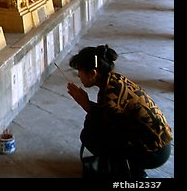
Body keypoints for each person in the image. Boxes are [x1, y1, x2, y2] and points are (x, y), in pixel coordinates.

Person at [66, 45, 173, 178]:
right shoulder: (113, 79)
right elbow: (108, 115)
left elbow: (106, 127)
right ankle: (130, 164)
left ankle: (132, 171)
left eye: (80, 71)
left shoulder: (111, 94)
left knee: (90, 137)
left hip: (154, 152)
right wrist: (87, 104)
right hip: (161, 144)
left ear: (93, 73)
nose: (78, 75)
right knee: (92, 129)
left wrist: (85, 104)